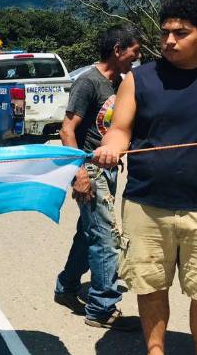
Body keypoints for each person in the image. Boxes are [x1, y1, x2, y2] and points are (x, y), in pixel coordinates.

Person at [94, 0, 197, 355]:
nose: (170, 41)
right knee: (150, 285)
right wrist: (112, 145)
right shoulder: (138, 79)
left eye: (182, 33)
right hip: (146, 203)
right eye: (165, 33)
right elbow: (121, 128)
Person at [54, 25, 141, 331]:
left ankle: (66, 287)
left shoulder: (120, 84)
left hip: (109, 169)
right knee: (105, 236)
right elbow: (67, 130)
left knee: (89, 232)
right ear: (118, 50)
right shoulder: (88, 82)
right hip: (89, 168)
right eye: (135, 51)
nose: (138, 57)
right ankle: (102, 306)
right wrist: (79, 173)